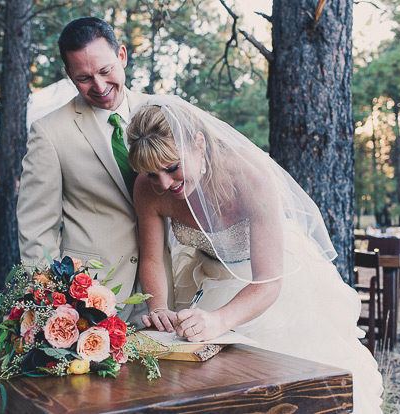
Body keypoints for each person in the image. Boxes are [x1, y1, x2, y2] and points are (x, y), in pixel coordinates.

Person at [126, 96, 383, 412]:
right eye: (152, 174)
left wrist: (219, 319)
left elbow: (269, 282)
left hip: (272, 282)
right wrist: (159, 307)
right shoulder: (147, 188)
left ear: (199, 143)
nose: (163, 184)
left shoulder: (250, 174)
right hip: (204, 277)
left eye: (172, 168)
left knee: (281, 387)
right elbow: (152, 259)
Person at [16, 17, 173, 326]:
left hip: (166, 287)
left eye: (105, 71)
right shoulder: (48, 132)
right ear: (69, 75)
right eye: (84, 78)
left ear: (123, 56)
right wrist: (48, 305)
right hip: (92, 296)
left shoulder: (165, 113)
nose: (99, 87)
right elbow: (37, 230)